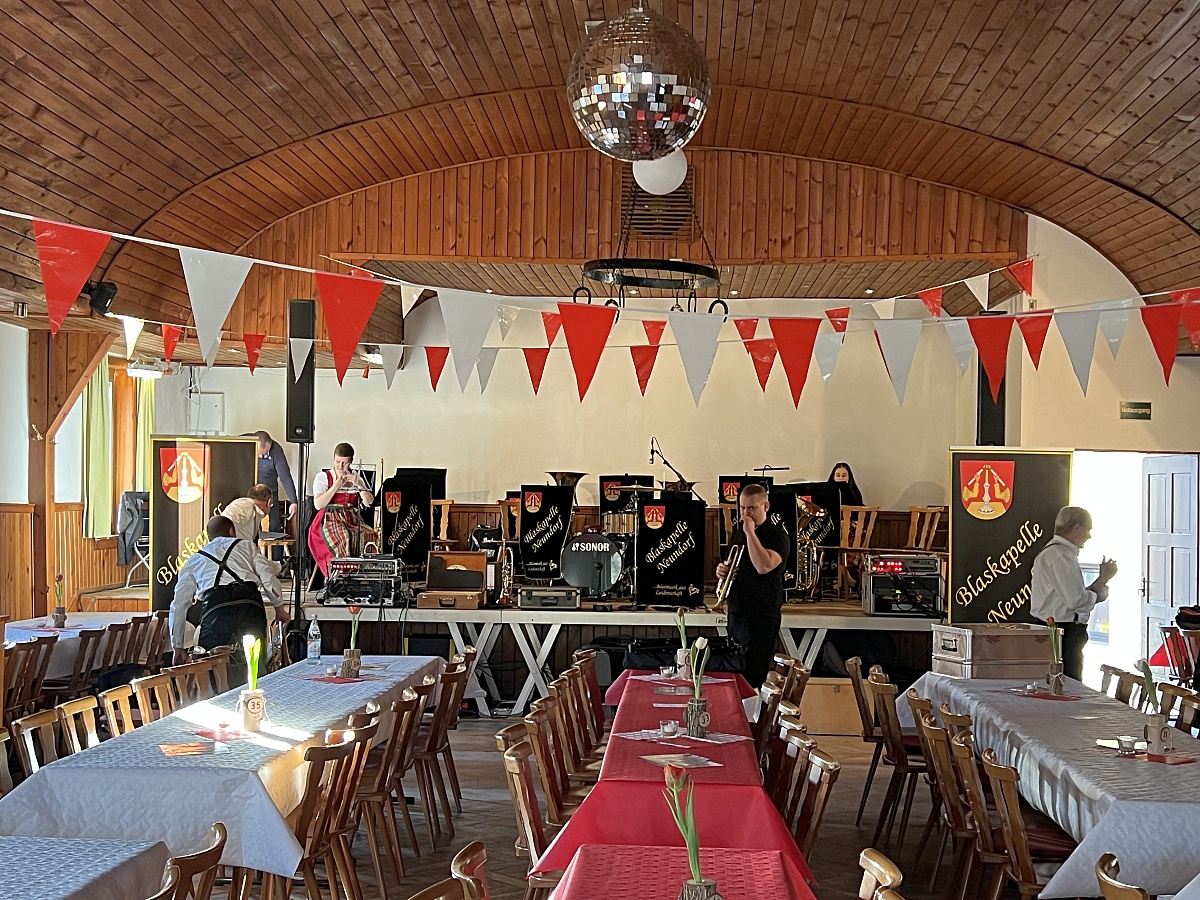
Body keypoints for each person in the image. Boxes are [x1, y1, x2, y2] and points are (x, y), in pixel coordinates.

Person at [170, 515, 289, 683]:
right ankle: (255, 695)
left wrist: (177, 646)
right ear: (232, 531)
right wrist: (279, 608)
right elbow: (268, 577)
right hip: (249, 605)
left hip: (215, 610)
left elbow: (178, 605)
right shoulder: (246, 546)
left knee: (212, 669)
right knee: (254, 663)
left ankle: (218, 694)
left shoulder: (195, 559)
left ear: (208, 536)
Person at [715, 484, 791, 688]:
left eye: (751, 508)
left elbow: (763, 566)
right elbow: (733, 568)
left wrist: (750, 533)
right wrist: (722, 571)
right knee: (736, 674)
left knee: (754, 677)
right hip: (737, 611)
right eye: (742, 508)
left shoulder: (777, 536)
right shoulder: (738, 534)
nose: (745, 514)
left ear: (765, 506)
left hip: (761, 614)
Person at [1030, 506, 1118, 681]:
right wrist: (1101, 586)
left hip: (1061, 630)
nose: (1089, 536)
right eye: (1088, 529)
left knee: (1064, 684)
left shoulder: (1059, 554)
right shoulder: (1059, 556)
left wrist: (1100, 583)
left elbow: (1075, 597)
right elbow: (1076, 601)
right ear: (1077, 528)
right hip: (1061, 633)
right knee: (1067, 686)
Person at [308, 442, 375, 576]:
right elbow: (318, 504)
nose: (340, 466)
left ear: (351, 462)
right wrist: (335, 486)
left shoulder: (356, 478)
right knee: (344, 537)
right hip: (328, 518)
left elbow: (369, 502)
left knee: (370, 534)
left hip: (350, 518)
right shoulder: (323, 477)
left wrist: (360, 485)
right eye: (338, 462)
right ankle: (341, 576)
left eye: (345, 463)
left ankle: (363, 574)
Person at [253, 431, 298, 529]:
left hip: (270, 491)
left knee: (275, 524)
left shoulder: (277, 451)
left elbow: (285, 477)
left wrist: (293, 501)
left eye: (264, 454)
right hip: (252, 492)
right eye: (259, 454)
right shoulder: (246, 441)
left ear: (270, 444)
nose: (261, 457)